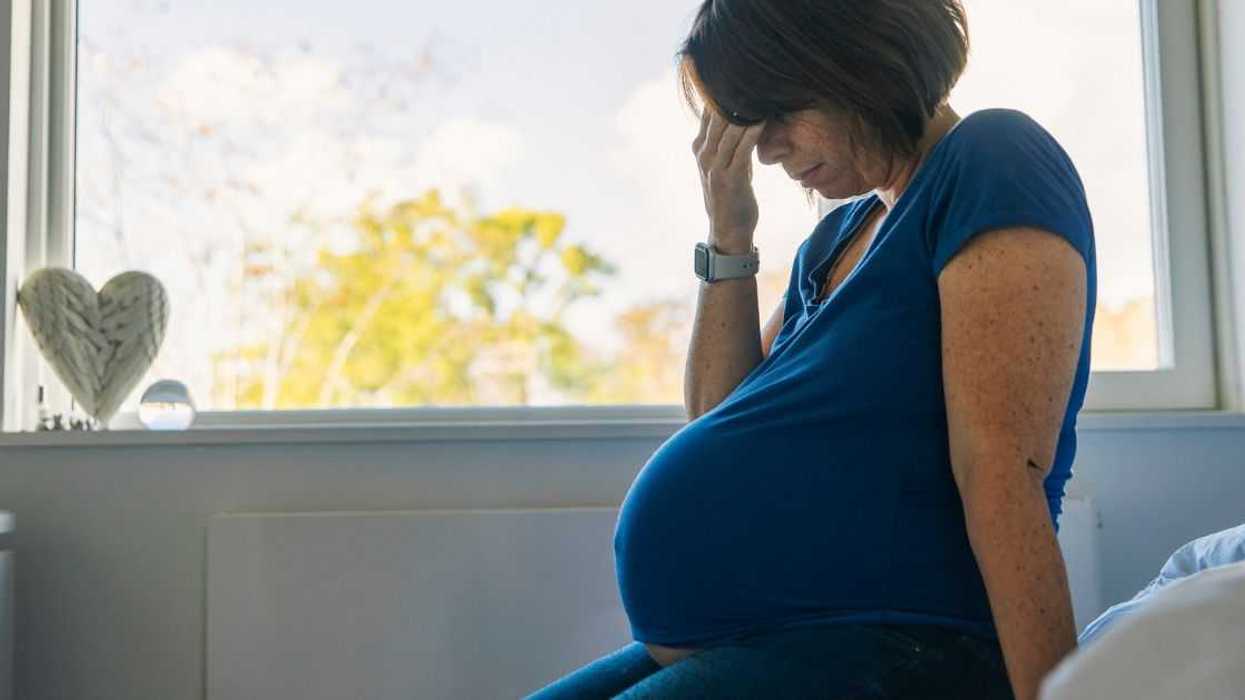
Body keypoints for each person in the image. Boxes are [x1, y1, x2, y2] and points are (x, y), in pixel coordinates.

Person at [528, 1, 1095, 698]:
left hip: (904, 642)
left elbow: (1001, 467)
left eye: (778, 115)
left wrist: (1052, 695)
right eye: (746, 124)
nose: (765, 150)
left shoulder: (991, 159)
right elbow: (718, 417)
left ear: (861, 65)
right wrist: (729, 233)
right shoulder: (835, 240)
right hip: (779, 638)